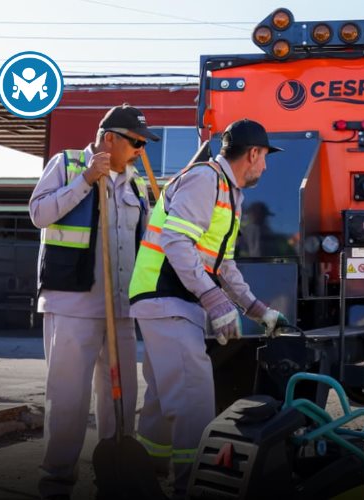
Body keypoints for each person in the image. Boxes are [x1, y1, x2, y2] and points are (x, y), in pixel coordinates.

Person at [128, 118, 288, 499]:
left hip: (169, 300)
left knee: (163, 398)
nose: (265, 166)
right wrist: (214, 300)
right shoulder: (205, 179)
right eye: (265, 157)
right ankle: (190, 488)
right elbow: (177, 241)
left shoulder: (230, 192)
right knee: (193, 397)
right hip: (165, 294)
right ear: (253, 154)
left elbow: (222, 263)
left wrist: (255, 309)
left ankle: (144, 475)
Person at [29, 104, 156, 499]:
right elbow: (38, 213)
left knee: (120, 399)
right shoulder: (66, 165)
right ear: (110, 139)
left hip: (120, 308)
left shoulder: (137, 184)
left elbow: (150, 241)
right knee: (68, 397)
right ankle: (56, 481)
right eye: (135, 142)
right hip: (73, 306)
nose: (140, 150)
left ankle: (114, 478)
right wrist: (86, 180)